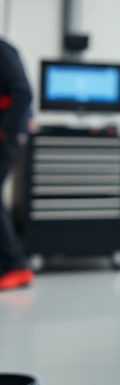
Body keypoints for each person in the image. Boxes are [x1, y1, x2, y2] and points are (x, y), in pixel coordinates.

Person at [0, 37, 33, 291]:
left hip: (5, 139)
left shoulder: (3, 50)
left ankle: (16, 266)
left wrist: (6, 129)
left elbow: (23, 92)